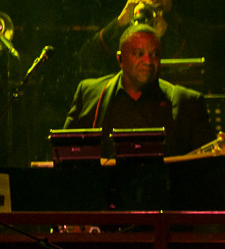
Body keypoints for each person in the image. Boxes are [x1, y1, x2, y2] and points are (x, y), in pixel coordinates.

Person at [64, 23, 217, 158]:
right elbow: (65, 151)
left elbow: (208, 162)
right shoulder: (89, 93)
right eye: (139, 54)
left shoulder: (187, 102)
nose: (148, 61)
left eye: (154, 54)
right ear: (120, 59)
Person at [76, 0, 209, 79]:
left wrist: (166, 35)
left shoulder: (190, 28)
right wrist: (119, 23)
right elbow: (85, 60)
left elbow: (196, 70)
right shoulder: (124, 22)